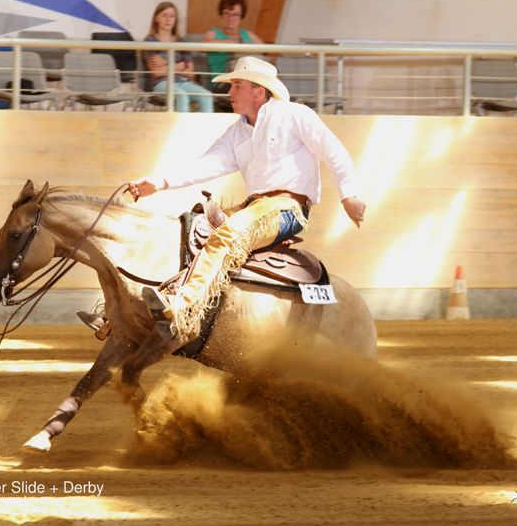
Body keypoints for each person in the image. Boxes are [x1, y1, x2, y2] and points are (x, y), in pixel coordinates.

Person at [130, 56, 366, 345]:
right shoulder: (237, 132)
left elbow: (334, 152)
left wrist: (349, 195)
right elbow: (205, 165)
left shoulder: (294, 114)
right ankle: (137, 311)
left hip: (288, 208)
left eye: (237, 85)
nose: (229, 93)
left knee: (228, 235)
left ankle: (182, 308)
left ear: (259, 91)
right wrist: (161, 182)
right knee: (192, 227)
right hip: (255, 206)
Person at [144, 1, 213, 113]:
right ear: (156, 18)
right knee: (182, 96)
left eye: (172, 16)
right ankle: (182, 130)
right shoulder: (150, 41)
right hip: (161, 83)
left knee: (206, 96)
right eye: (164, 15)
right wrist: (180, 66)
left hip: (183, 82)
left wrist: (166, 63)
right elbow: (157, 73)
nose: (168, 19)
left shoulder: (181, 41)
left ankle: (204, 130)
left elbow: (190, 73)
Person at [202, 0, 263, 95]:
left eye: (235, 14)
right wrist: (227, 43)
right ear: (221, 14)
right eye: (227, 13)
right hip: (223, 82)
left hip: (250, 79)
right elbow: (202, 46)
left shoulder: (247, 34)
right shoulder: (213, 33)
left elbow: (270, 51)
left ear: (241, 16)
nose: (231, 18)